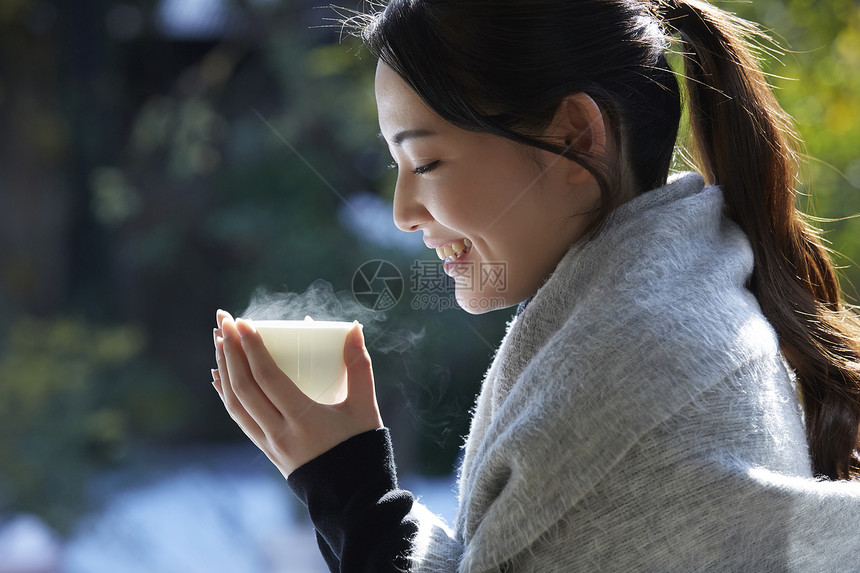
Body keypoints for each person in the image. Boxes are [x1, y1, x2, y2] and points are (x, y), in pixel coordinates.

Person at [211, 0, 860, 570]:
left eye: (427, 161)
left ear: (575, 137)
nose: (403, 211)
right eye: (396, 164)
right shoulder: (668, 310)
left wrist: (350, 487)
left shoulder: (625, 364)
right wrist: (343, 476)